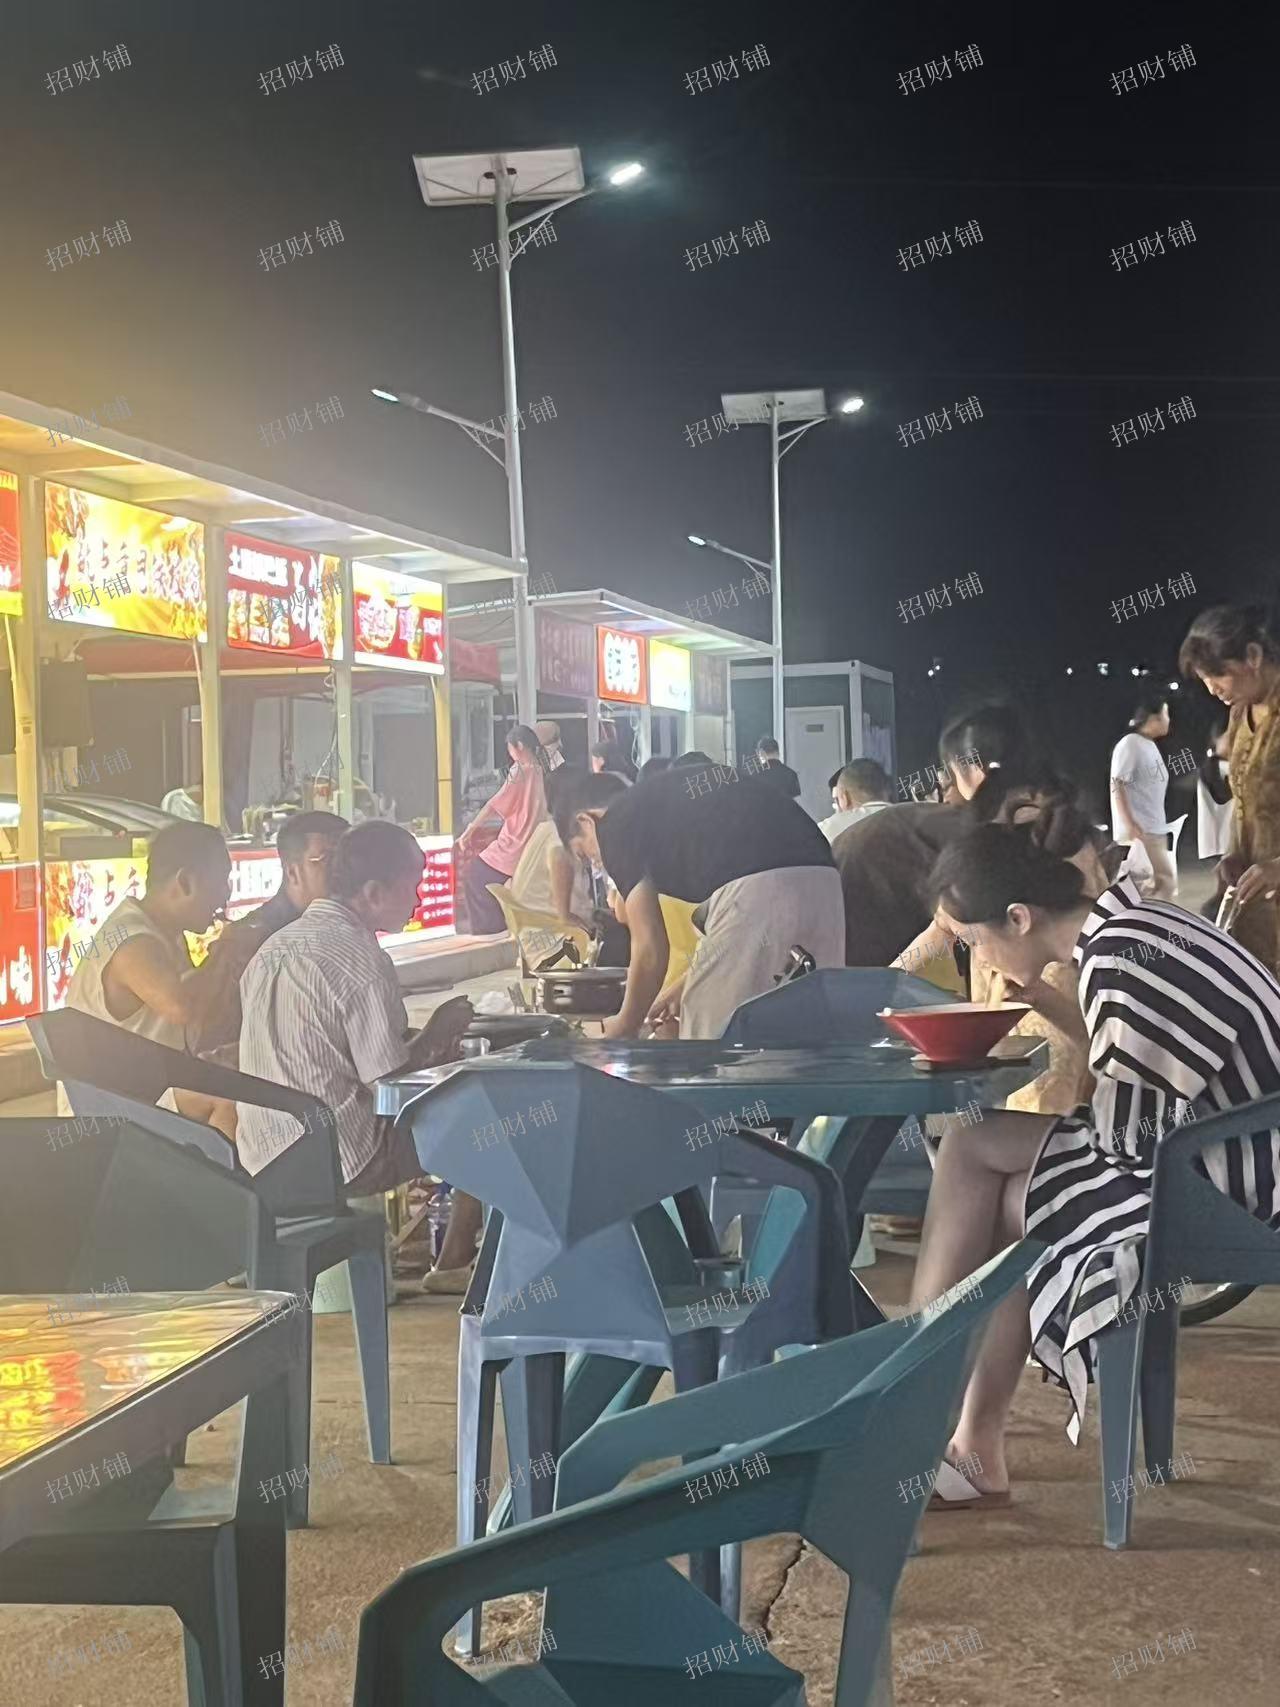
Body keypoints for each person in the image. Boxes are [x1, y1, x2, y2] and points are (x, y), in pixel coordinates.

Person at [906, 810, 1280, 1504]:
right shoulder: (1134, 927)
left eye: (975, 942)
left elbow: (1129, 1136)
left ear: (1019, 918)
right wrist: (1047, 1000)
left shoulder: (1118, 958)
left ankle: (915, 1417)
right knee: (982, 1161)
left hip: (1236, 1180)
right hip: (1233, 1150)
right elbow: (1136, 1067)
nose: (979, 961)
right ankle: (959, 1436)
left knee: (984, 1169)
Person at [236, 822, 478, 1287]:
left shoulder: (273, 948)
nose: (419, 900)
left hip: (264, 1157)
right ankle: (454, 1263)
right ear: (372, 893)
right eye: (412, 887)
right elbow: (390, 1085)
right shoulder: (361, 959)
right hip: (343, 1158)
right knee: (488, 1126)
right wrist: (437, 1035)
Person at [555, 763, 844, 1039]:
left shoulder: (615, 823)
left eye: (584, 854)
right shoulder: (661, 810)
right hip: (825, 884)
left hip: (762, 888)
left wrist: (625, 1024)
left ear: (586, 821)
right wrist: (687, 984)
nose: (597, 864)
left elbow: (650, 949)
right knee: (800, 1036)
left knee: (713, 1041)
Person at [60, 821, 237, 1136]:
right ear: (184, 882)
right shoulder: (132, 940)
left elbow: (204, 1020)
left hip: (144, 1087)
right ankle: (211, 1171)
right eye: (221, 880)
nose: (226, 894)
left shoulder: (166, 933)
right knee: (231, 1101)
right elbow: (182, 1008)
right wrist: (224, 951)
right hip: (111, 1108)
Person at [192, 810, 349, 1054]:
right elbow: (215, 1040)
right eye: (328, 860)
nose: (343, 872)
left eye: (348, 861)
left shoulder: (344, 927)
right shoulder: (247, 941)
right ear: (293, 871)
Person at [1180, 604, 1280, 973]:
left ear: (1253, 656)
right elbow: (1244, 800)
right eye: (1205, 679)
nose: (1212, 689)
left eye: (1218, 674)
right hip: (1257, 909)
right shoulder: (1240, 713)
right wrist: (1234, 854)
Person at [457, 724, 550, 935]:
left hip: (514, 846)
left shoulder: (520, 771)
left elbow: (494, 804)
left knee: (475, 875)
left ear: (519, 746)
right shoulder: (542, 770)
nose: (509, 753)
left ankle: (489, 931)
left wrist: (470, 830)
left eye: (510, 748)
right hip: (533, 847)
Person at [1109, 690, 1176, 899]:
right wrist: (1130, 823)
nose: (1169, 720)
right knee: (1159, 884)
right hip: (1141, 829)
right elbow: (1118, 783)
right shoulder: (1131, 743)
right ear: (1153, 718)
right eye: (1166, 714)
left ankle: (1143, 917)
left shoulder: (1149, 745)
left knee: (1155, 885)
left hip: (1153, 827)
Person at [819, 759, 892, 842]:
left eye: (837, 800)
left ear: (844, 798)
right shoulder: (903, 816)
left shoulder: (827, 829)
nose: (838, 810)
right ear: (886, 792)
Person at [1196, 717, 1234, 868]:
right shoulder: (1211, 766)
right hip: (1222, 841)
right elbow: (1222, 796)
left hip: (1232, 841)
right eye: (1231, 735)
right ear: (1216, 738)